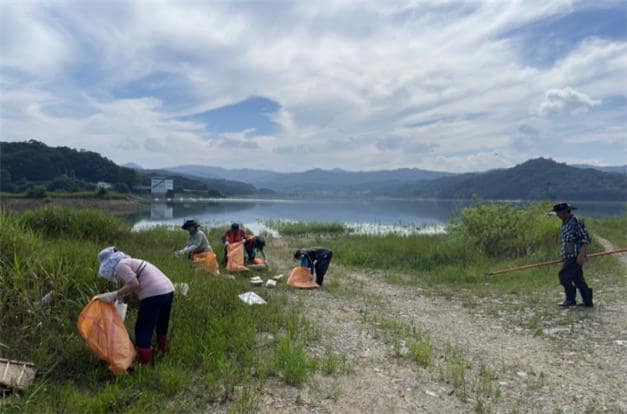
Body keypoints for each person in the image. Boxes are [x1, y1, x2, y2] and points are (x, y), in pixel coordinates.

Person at [95, 246, 175, 364]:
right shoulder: (130, 262)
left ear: (109, 264)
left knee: (143, 329)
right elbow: (134, 283)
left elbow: (134, 284)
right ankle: (162, 353)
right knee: (161, 324)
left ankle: (144, 364)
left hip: (153, 293)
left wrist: (114, 294)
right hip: (168, 290)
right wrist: (120, 296)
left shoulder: (120, 266)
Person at [550, 203, 593, 307]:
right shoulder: (565, 223)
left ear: (565, 212)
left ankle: (570, 299)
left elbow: (585, 239)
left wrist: (582, 254)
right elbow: (567, 242)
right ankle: (587, 301)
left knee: (563, 275)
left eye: (559, 213)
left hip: (575, 256)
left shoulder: (575, 221)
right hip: (568, 256)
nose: (558, 216)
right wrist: (563, 255)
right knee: (577, 279)